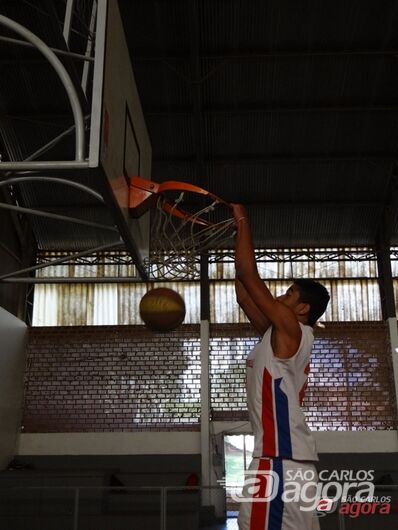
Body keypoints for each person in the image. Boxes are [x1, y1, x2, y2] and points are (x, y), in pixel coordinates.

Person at [232, 204, 330, 530]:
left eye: (289, 294)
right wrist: (232, 238)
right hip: (286, 462)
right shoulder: (277, 335)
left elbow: (250, 275)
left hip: (280, 461)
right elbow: (245, 295)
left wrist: (243, 220)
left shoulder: (291, 327)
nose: (281, 296)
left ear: (302, 308)